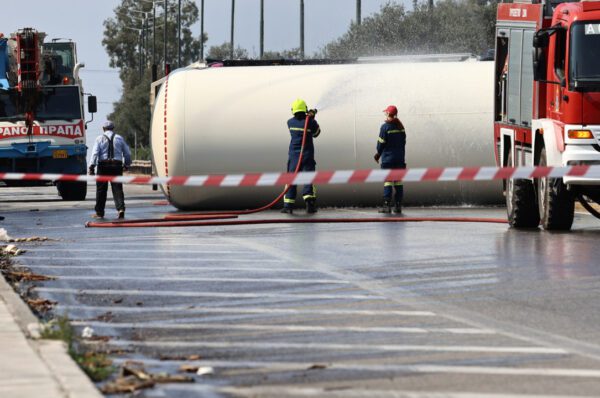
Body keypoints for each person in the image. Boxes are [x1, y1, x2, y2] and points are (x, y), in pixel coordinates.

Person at [281, 99, 321, 214]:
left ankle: (288, 206)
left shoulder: (290, 122)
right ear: (305, 109)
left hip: (294, 156)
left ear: (293, 110)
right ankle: (310, 205)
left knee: (291, 179)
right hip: (307, 155)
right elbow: (316, 133)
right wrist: (312, 118)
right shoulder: (310, 122)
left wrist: (310, 118)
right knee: (308, 178)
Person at [89, 121, 132, 219]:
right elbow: (127, 153)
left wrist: (91, 166)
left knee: (101, 190)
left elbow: (95, 153)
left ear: (103, 129)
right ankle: (121, 209)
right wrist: (126, 164)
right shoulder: (119, 138)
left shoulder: (99, 138)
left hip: (103, 166)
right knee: (117, 189)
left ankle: (99, 213)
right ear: (113, 128)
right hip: (116, 166)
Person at [374, 105, 406, 214]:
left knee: (388, 181)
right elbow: (403, 142)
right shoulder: (400, 127)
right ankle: (398, 206)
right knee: (398, 182)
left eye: (386, 113)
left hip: (388, 159)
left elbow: (381, 143)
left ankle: (386, 206)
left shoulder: (385, 127)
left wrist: (378, 154)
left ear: (388, 114)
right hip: (400, 159)